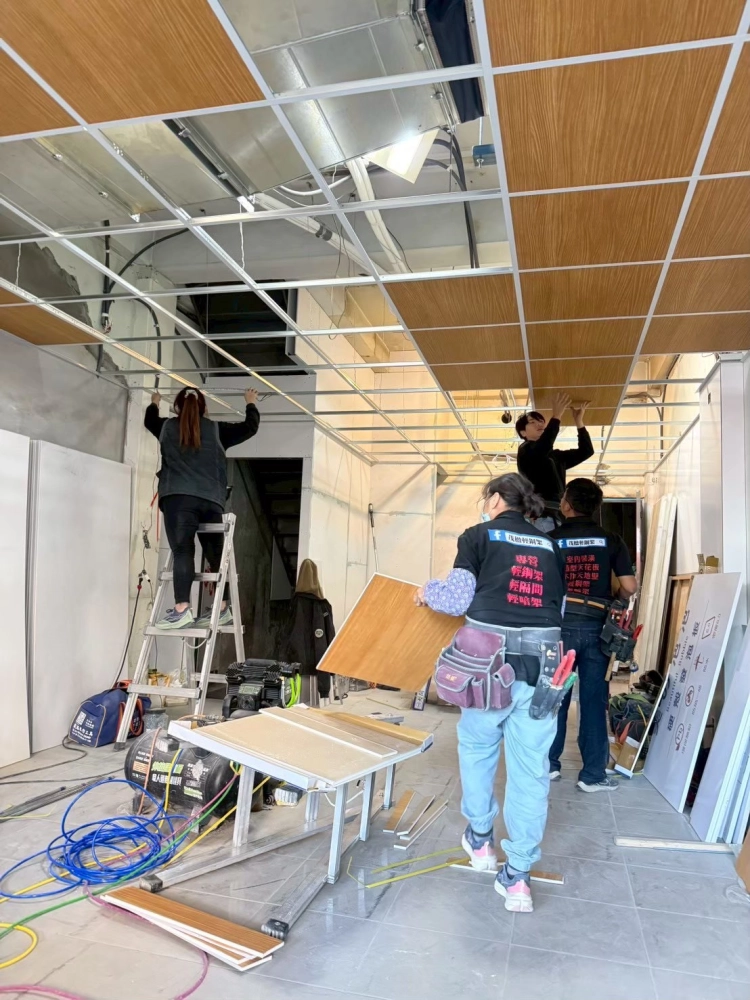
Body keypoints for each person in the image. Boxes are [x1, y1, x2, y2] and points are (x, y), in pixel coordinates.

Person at [414, 473, 566, 913]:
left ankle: (481, 841)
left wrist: (426, 591)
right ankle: (518, 878)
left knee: (479, 749)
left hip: (487, 666)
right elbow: (556, 607)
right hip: (544, 666)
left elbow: (457, 600)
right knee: (531, 770)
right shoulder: (550, 546)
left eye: (487, 499)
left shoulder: (477, 536)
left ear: (496, 500)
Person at [548, 478, 637, 791]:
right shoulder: (611, 540)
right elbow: (629, 586)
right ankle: (592, 775)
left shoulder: (551, 539)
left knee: (554, 696)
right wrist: (614, 597)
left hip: (558, 629)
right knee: (593, 700)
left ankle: (549, 765)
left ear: (566, 504)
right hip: (596, 629)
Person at [145, 386, 260, 629]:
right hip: (211, 500)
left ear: (177, 407)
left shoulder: (165, 427)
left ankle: (182, 609)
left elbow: (149, 420)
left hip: (178, 499)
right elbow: (250, 427)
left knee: (183, 552)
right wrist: (250, 402)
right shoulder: (217, 430)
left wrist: (154, 401)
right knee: (216, 554)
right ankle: (222, 608)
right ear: (204, 409)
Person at [516, 392, 594, 531]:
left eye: (541, 421)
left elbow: (586, 451)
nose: (539, 424)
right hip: (541, 515)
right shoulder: (525, 451)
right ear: (523, 433)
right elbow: (542, 448)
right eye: (532, 422)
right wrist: (556, 416)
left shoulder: (555, 456)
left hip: (559, 515)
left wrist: (579, 423)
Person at [281, 559, 336, 700]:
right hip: (319, 661)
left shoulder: (294, 604)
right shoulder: (323, 605)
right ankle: (323, 696)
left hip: (297, 663)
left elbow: (287, 632)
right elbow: (330, 634)